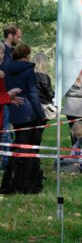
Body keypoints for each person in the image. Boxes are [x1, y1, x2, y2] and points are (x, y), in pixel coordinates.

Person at [1, 44, 46, 194]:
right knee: (29, 149)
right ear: (27, 55)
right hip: (29, 112)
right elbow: (33, 95)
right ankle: (27, 184)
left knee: (17, 147)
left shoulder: (7, 68)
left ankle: (11, 181)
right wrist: (42, 115)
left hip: (15, 111)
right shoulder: (28, 70)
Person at [0, 25, 22, 168]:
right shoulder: (5, 52)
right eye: (18, 36)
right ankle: (6, 161)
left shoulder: (13, 52)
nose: (1, 56)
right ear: (10, 35)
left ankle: (6, 160)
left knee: (6, 132)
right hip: (4, 99)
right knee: (5, 133)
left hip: (6, 102)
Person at [62, 68, 82, 146]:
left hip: (71, 106)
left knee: (73, 130)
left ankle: (75, 149)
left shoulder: (67, 77)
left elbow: (64, 91)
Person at [33, 52, 55, 147]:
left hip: (31, 106)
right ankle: (34, 158)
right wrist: (55, 94)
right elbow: (49, 94)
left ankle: (28, 159)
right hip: (43, 107)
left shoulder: (29, 75)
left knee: (30, 133)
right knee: (38, 134)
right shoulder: (44, 77)